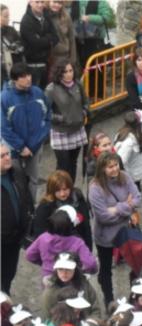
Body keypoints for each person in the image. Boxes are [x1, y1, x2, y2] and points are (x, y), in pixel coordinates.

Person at [88, 152, 141, 304]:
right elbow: (103, 216)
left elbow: (137, 199)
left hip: (126, 232)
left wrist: (116, 208)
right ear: (102, 168)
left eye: (116, 165)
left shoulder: (125, 176)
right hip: (106, 236)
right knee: (105, 270)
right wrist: (126, 206)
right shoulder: (95, 188)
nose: (114, 169)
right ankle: (109, 299)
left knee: (136, 264)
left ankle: (136, 296)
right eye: (110, 167)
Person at [1, 62, 51, 199]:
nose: (28, 78)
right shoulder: (4, 98)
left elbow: (47, 118)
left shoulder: (38, 93)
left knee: (33, 180)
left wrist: (35, 143)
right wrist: (21, 147)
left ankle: (31, 211)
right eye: (23, 76)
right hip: (13, 149)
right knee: (14, 181)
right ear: (15, 79)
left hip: (34, 147)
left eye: (28, 75)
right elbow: (3, 127)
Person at [1, 142, 31, 293]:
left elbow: (26, 196)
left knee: (9, 274)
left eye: (7, 154)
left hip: (16, 236)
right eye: (2, 156)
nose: (7, 158)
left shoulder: (16, 170)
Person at [19, 0, 58, 88]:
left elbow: (56, 38)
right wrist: (48, 38)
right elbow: (35, 43)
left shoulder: (46, 16)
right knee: (34, 92)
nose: (40, 5)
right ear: (30, 2)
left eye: (42, 2)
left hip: (47, 63)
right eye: (37, 2)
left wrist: (41, 38)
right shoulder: (26, 21)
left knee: (45, 92)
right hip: (33, 66)